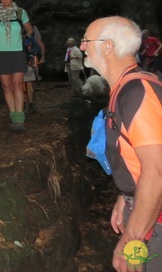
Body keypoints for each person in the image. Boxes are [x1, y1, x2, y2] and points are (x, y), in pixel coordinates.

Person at [81, 17, 162, 272]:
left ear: (107, 46)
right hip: (143, 208)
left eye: (86, 41)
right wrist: (124, 196)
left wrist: (132, 238)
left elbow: (157, 172)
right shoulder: (124, 88)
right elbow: (135, 157)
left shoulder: (138, 92)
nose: (82, 47)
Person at [0, 0, 33, 131]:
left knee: (17, 84)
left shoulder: (20, 13)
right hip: (0, 53)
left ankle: (19, 119)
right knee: (6, 86)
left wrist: (26, 37)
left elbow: (29, 28)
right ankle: (13, 115)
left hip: (17, 53)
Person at [23, 25, 45, 114]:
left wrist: (27, 52)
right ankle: (23, 103)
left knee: (29, 84)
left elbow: (37, 47)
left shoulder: (30, 39)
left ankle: (30, 104)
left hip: (29, 63)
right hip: (18, 62)